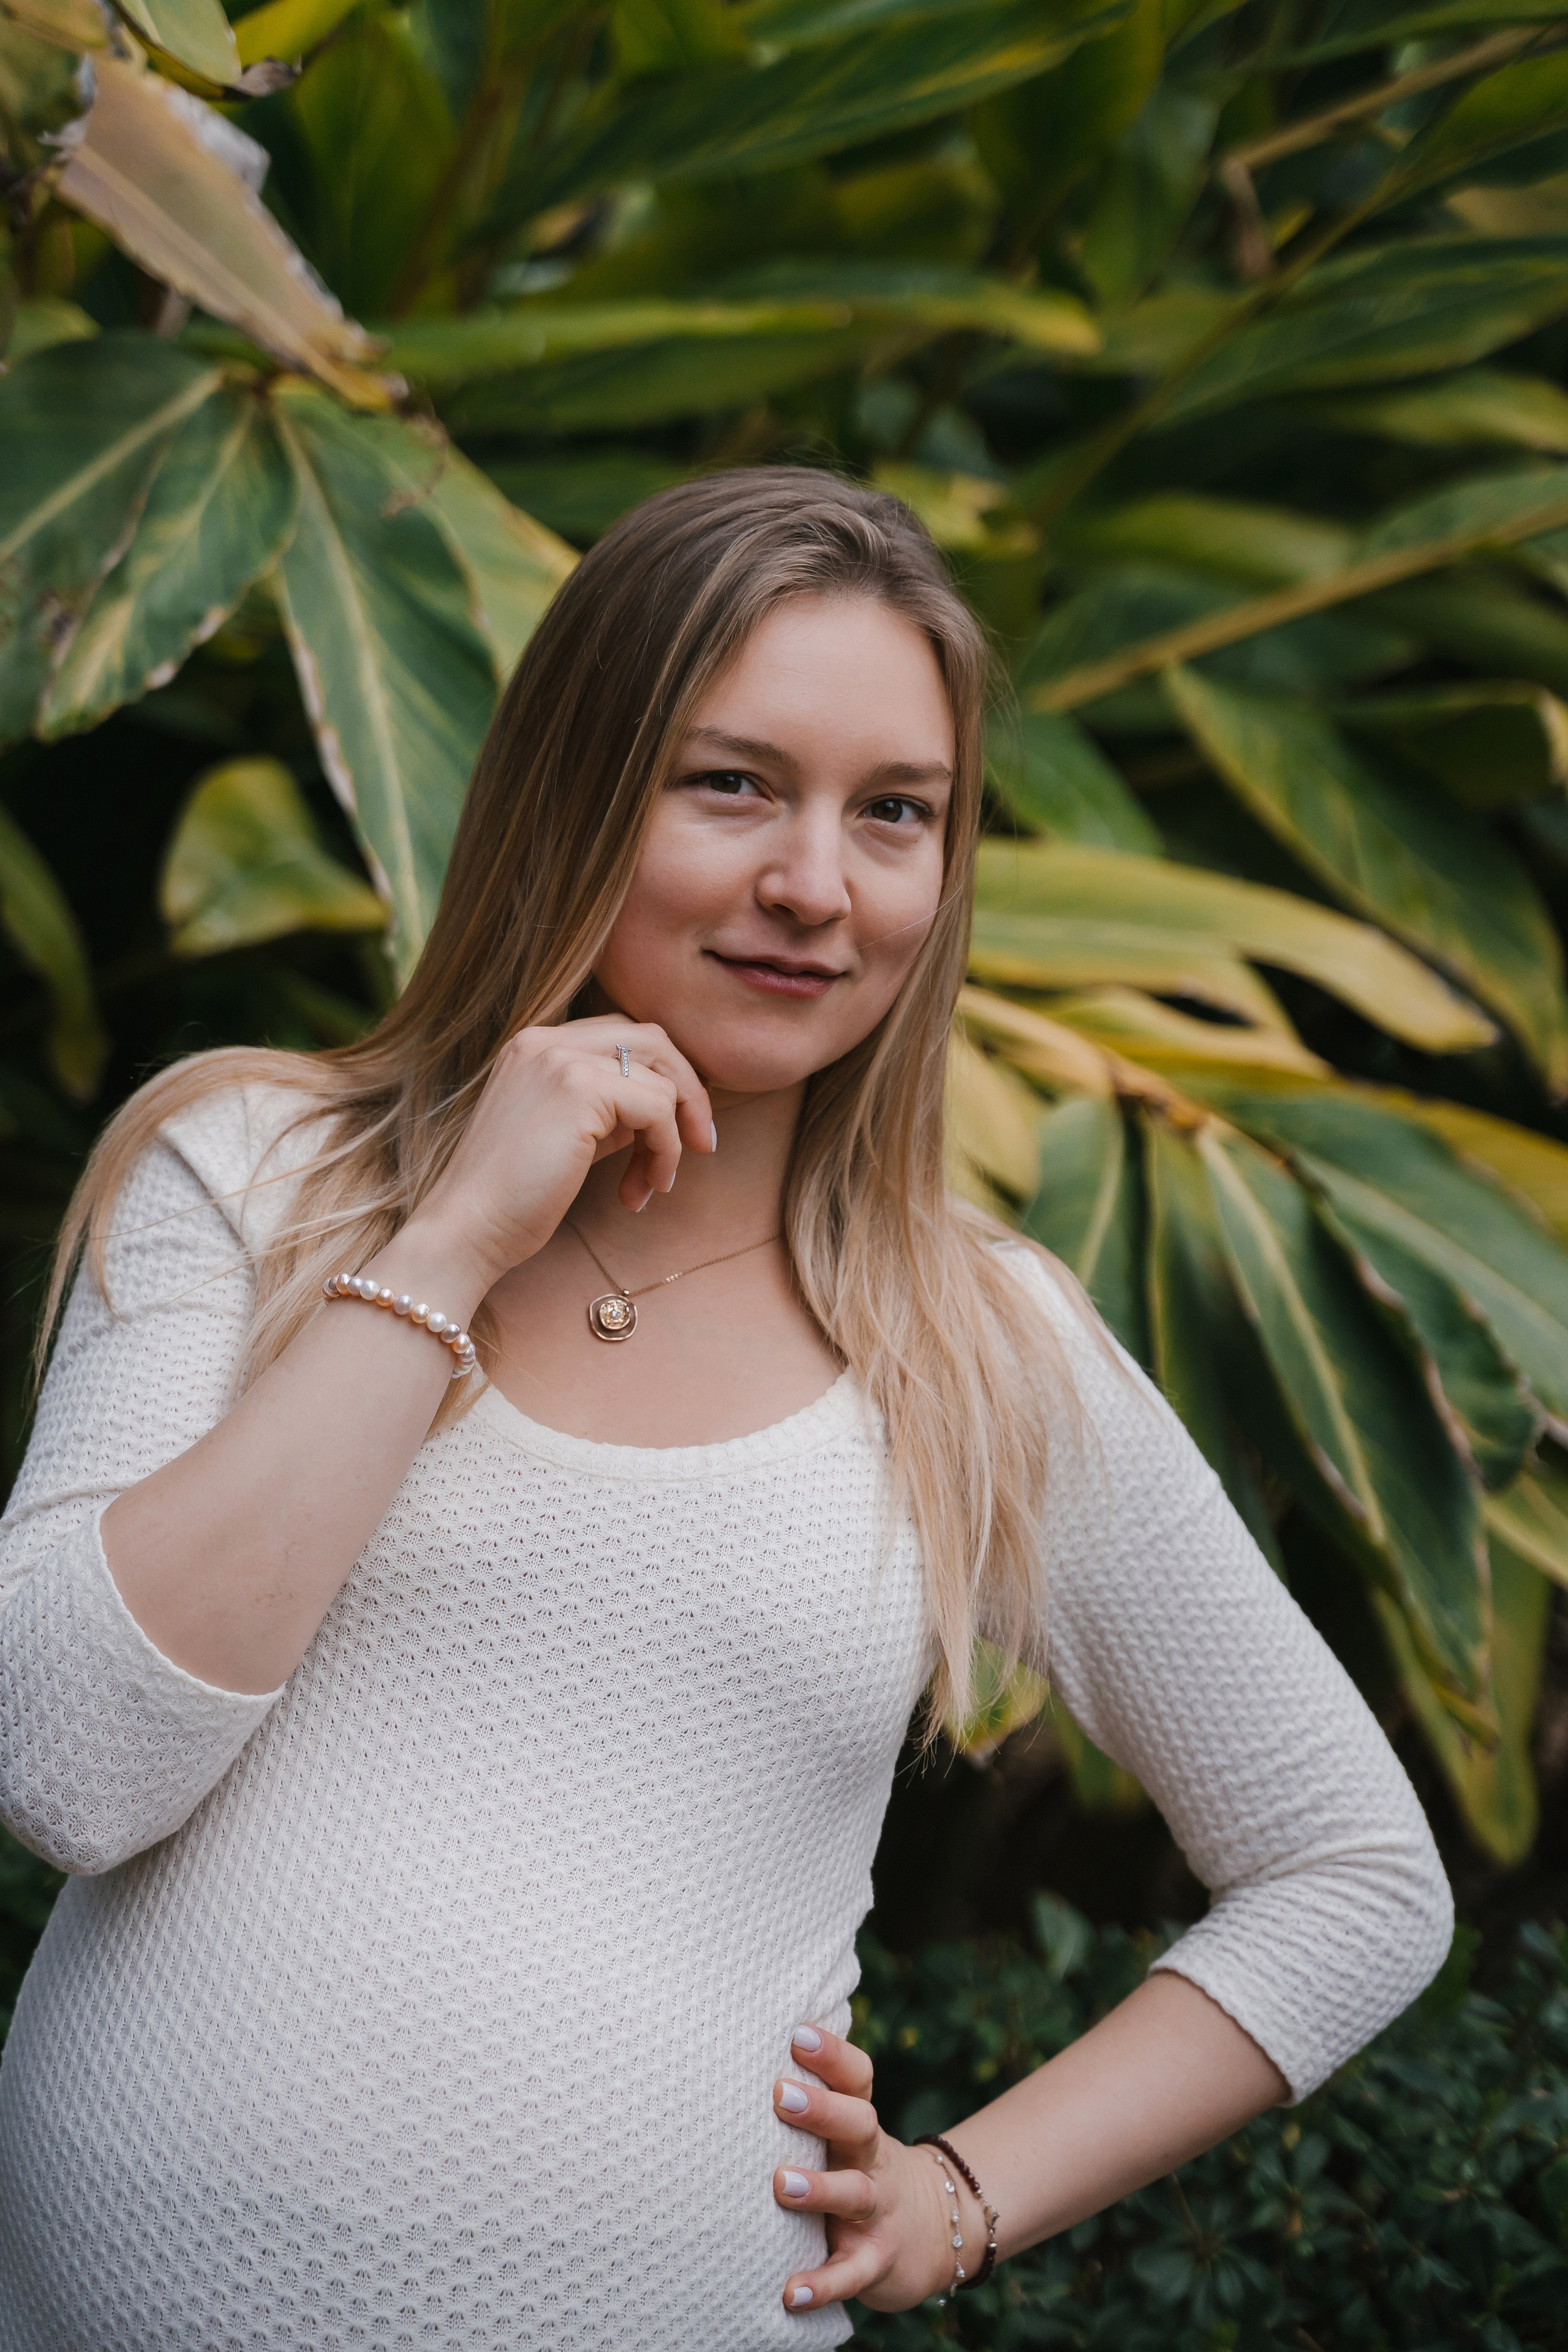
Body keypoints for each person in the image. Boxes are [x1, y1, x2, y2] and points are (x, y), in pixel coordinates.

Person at [0, 470, 1450, 2348]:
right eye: (733, 783)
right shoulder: (249, 1172)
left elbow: (1354, 1877)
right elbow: (65, 1767)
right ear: (576, 787)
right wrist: (444, 1249)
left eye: (897, 815)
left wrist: (959, 2197)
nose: (814, 886)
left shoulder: (981, 1345)